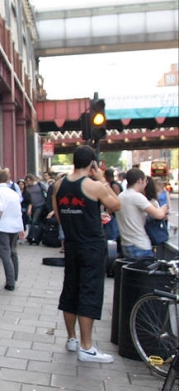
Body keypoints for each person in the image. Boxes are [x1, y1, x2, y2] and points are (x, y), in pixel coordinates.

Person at [51, 145, 120, 363]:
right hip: (91, 245)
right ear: (92, 164)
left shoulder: (59, 184)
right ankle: (87, 347)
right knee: (89, 292)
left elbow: (60, 215)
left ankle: (72, 339)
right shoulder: (94, 186)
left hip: (71, 244)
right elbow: (116, 204)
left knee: (70, 290)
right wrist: (102, 179)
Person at [116, 169, 169, 259]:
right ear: (140, 181)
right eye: (145, 181)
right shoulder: (137, 197)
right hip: (140, 245)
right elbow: (158, 214)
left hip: (125, 243)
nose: (145, 184)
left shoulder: (121, 196)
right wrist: (164, 208)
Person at [0, 169, 24, 291]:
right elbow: (18, 211)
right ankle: (14, 277)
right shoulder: (14, 193)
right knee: (13, 251)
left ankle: (10, 282)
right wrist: (21, 227)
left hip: (3, 225)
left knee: (5, 253)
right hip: (15, 225)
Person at [25, 174, 47, 242]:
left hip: (40, 204)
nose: (29, 182)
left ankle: (31, 236)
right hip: (31, 205)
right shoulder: (27, 187)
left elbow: (46, 191)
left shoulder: (39, 185)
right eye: (27, 181)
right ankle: (36, 235)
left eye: (30, 181)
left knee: (34, 220)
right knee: (32, 221)